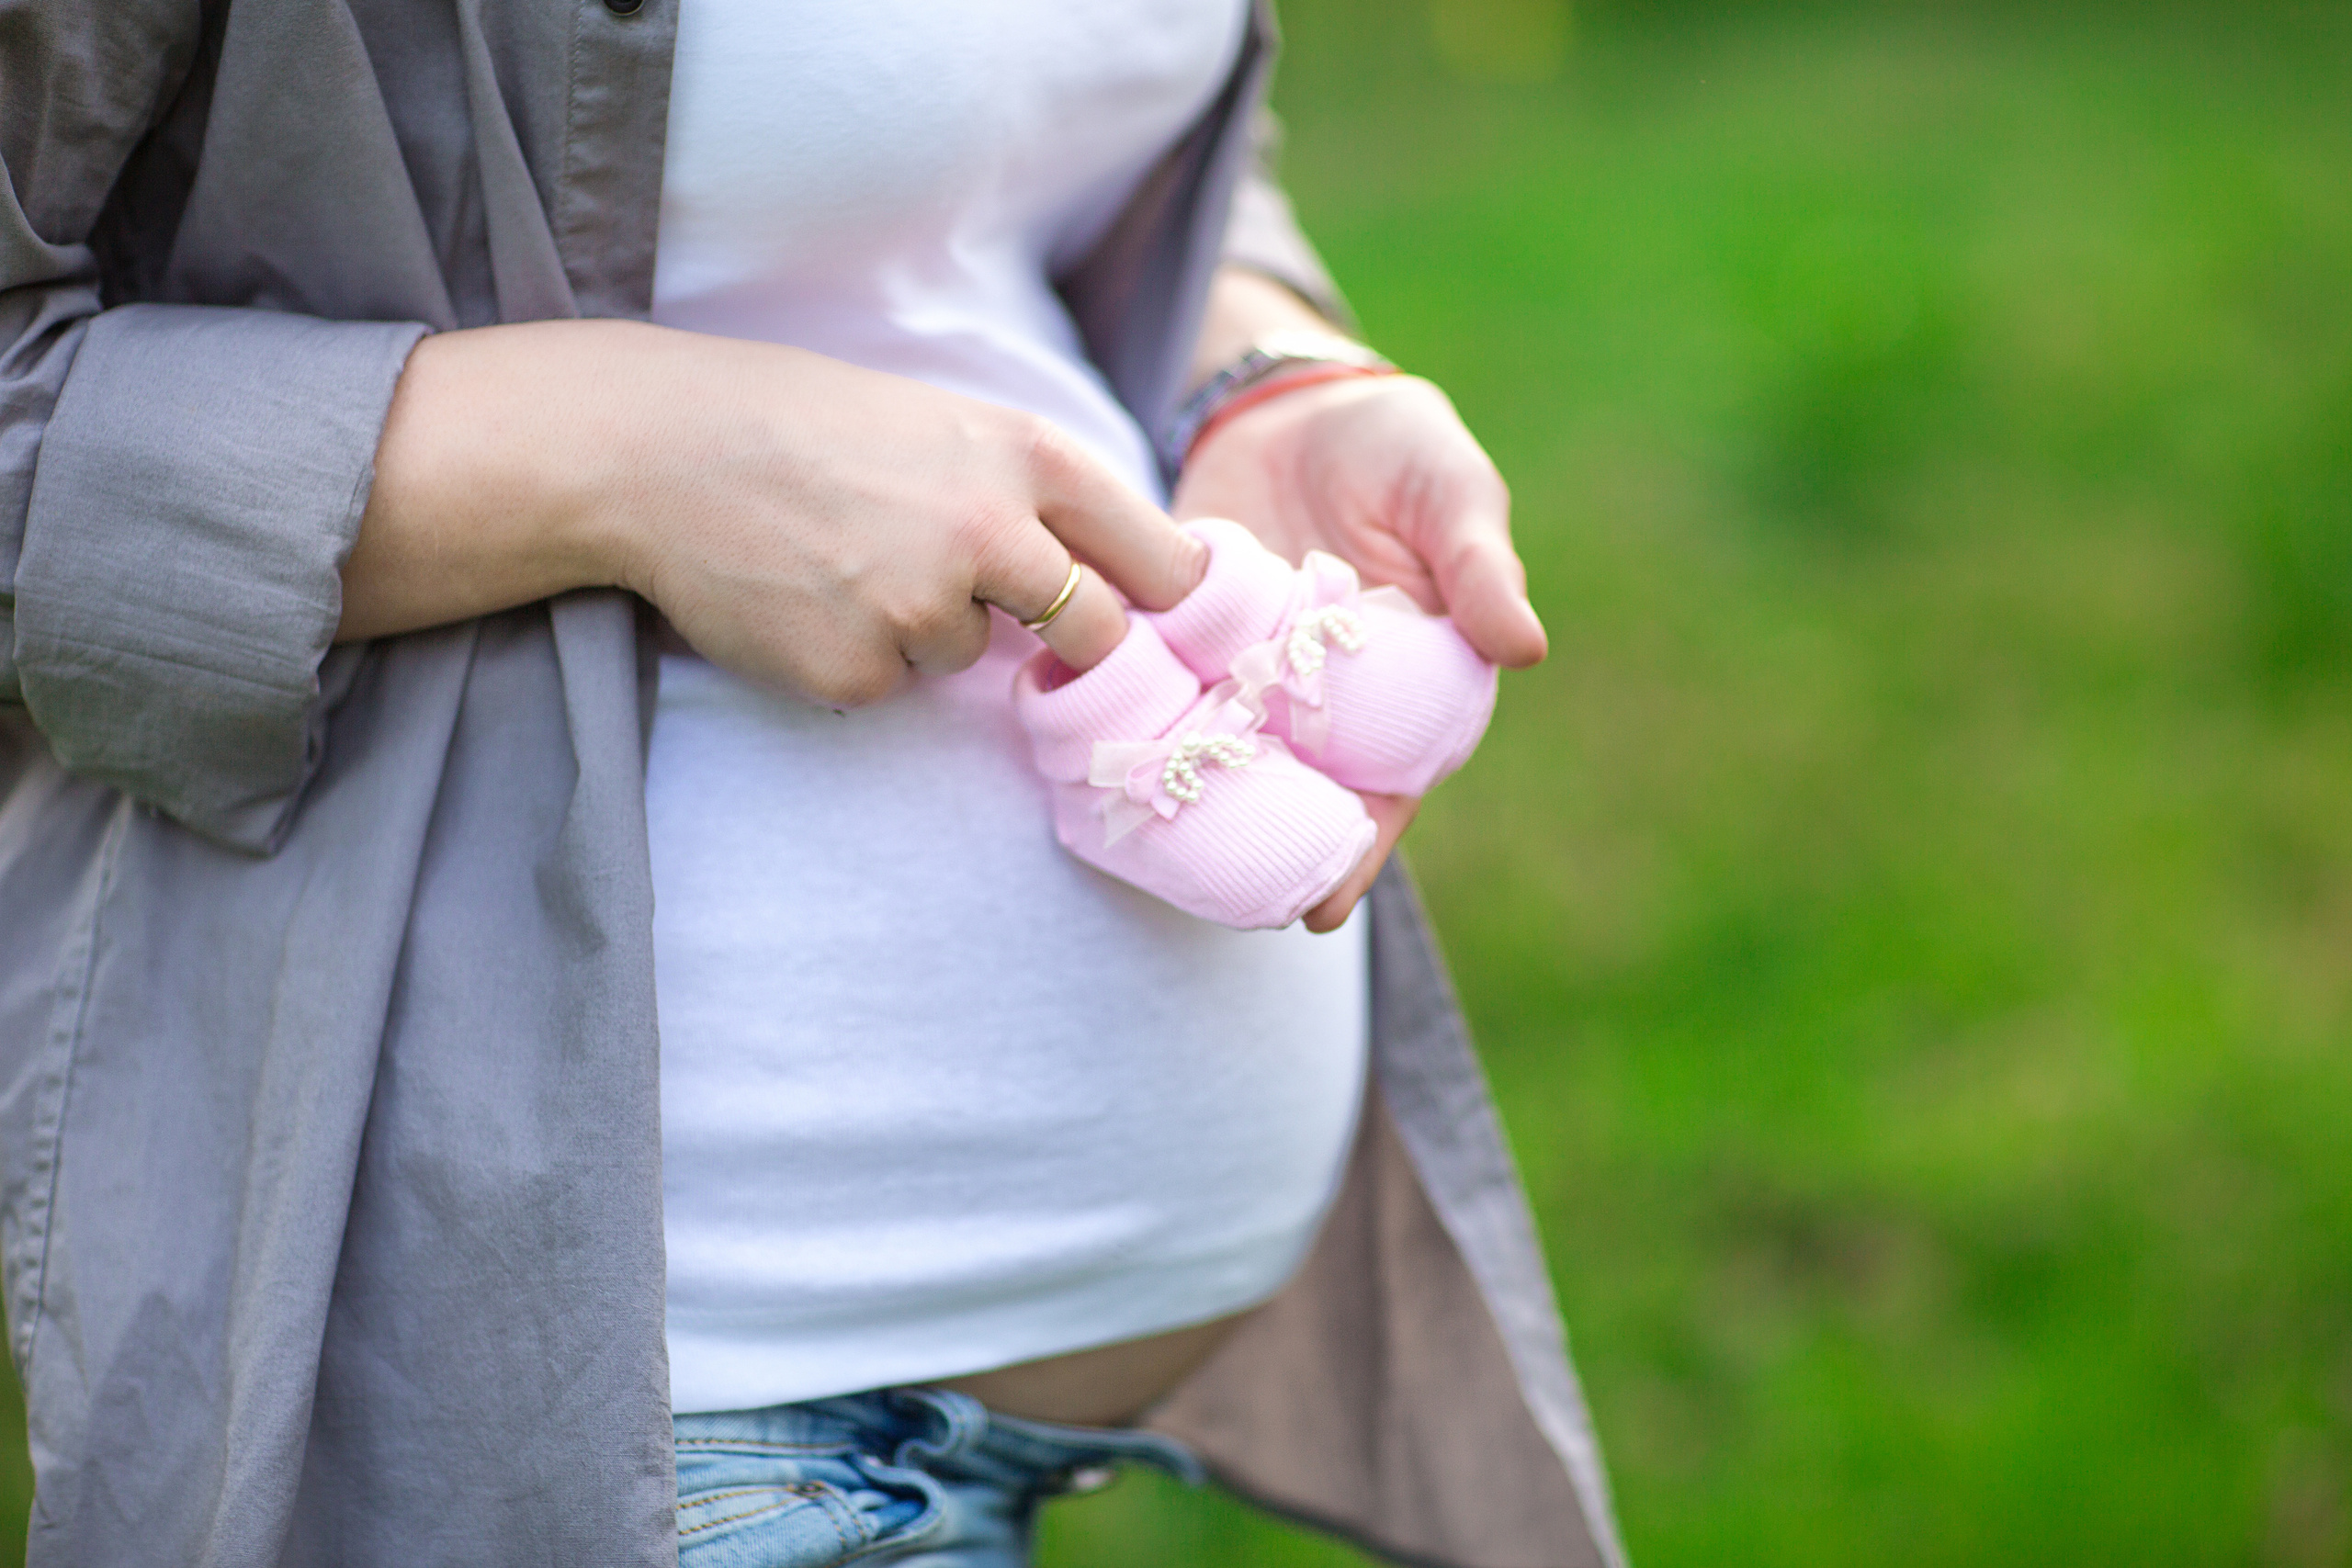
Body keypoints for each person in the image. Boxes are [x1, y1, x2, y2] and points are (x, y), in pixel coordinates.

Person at [0, 2, 1626, 1565]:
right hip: (660, 1425)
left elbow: (1044, 150)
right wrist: (628, 455)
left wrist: (1263, 361)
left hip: (1065, 1336)